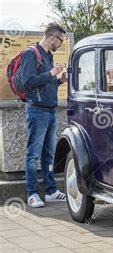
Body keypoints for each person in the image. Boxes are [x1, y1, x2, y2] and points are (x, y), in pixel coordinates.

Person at [17, 23, 67, 208]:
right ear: (53, 37)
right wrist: (50, 73)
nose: (61, 44)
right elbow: (27, 82)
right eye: (61, 40)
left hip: (50, 111)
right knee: (33, 155)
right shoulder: (31, 53)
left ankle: (51, 191)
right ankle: (32, 194)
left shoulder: (49, 56)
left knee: (49, 154)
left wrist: (58, 80)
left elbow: (46, 84)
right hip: (36, 111)